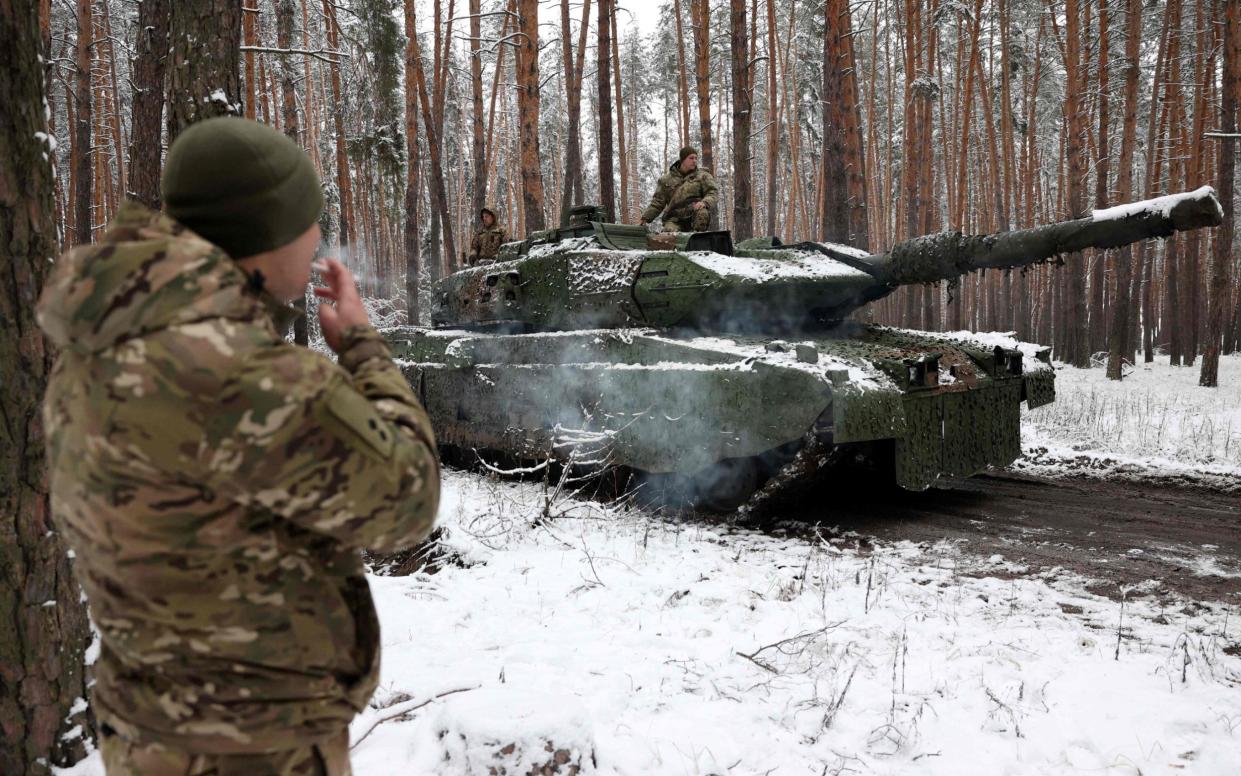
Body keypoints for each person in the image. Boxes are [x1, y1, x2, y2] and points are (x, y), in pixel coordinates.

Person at [36, 117, 441, 775]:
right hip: (251, 745)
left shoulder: (101, 344)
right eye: (305, 223)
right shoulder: (241, 376)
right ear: (260, 239)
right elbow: (408, 500)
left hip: (147, 729)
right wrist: (364, 349)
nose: (315, 241)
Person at [639, 145, 719, 232]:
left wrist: (704, 202)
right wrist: (646, 217)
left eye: (696, 158)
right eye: (691, 158)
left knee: (702, 214)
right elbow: (658, 202)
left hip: (694, 215)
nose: (694, 161)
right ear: (682, 159)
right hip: (674, 219)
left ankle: (698, 240)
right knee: (669, 232)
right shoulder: (666, 180)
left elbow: (713, 192)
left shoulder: (703, 176)